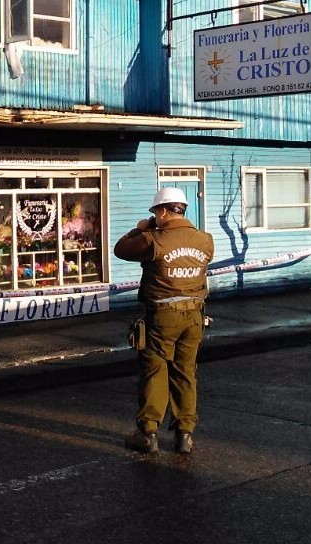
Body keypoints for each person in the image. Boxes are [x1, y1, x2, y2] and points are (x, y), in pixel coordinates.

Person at [113, 186, 214, 454]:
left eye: (156, 212)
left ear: (164, 211)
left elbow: (121, 249)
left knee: (155, 370)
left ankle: (148, 433)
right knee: (185, 372)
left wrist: (141, 229)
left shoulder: (154, 240)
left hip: (162, 315)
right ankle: (185, 435)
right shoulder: (205, 240)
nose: (156, 217)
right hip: (195, 315)